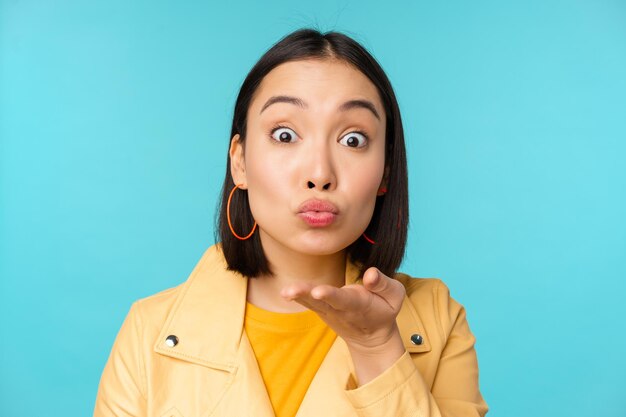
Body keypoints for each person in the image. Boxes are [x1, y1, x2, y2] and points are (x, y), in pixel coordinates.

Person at [93, 28, 489, 417]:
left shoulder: (438, 318)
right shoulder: (149, 331)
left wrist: (377, 348)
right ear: (240, 161)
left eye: (353, 139)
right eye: (285, 135)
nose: (319, 172)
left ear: (385, 172)